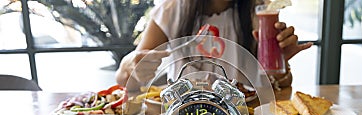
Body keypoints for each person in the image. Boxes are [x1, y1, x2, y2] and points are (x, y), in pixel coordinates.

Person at [116, 0, 312, 90]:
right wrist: (134, 65)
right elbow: (125, 79)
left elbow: (278, 86)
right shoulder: (172, 8)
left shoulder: (259, 10)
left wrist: (279, 64)